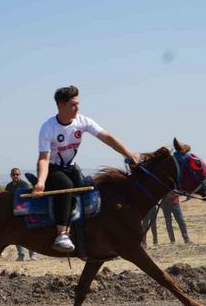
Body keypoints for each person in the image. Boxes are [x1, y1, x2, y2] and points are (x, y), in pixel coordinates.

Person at [32, 86, 141, 253]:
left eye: (78, 104)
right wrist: (40, 182)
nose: (77, 108)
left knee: (91, 189)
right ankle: (61, 235)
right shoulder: (48, 128)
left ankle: (90, 233)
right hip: (52, 170)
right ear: (61, 105)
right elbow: (44, 159)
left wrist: (128, 153)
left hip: (71, 168)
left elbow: (107, 138)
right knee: (66, 186)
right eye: (73, 105)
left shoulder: (83, 121)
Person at [5, 167, 37, 261]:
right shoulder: (9, 186)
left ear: (19, 175)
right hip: (13, 213)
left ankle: (33, 254)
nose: (15, 176)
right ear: (11, 175)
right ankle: (21, 255)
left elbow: (28, 199)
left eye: (17, 174)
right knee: (17, 234)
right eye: (13, 174)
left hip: (25, 212)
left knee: (29, 234)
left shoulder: (24, 185)